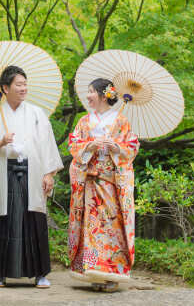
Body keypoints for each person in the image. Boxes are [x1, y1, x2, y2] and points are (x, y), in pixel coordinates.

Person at [0, 65, 63, 289]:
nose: (24, 88)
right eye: (19, 84)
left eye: (25, 84)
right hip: (4, 173)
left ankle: (40, 274)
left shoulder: (36, 114)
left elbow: (47, 145)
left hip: (32, 173)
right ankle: (0, 274)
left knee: (34, 220)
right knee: (4, 221)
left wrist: (49, 173)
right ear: (6, 88)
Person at [68, 78, 139, 292]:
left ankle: (113, 273)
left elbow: (132, 146)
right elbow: (73, 143)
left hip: (111, 183)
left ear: (103, 95)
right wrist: (90, 145)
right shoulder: (84, 121)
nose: (88, 96)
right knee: (91, 227)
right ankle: (93, 271)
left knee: (111, 226)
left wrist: (116, 147)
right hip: (90, 181)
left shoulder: (121, 120)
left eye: (91, 91)